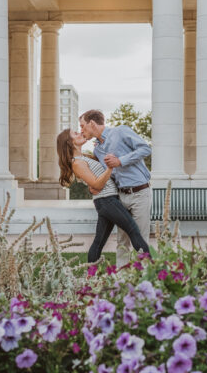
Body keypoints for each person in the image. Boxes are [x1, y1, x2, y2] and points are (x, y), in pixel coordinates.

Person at [56, 128, 151, 263]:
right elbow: (97, 184)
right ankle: (153, 267)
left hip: (106, 202)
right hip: (107, 202)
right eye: (75, 134)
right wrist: (110, 167)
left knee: (99, 242)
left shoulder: (84, 157)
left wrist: (101, 148)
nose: (80, 133)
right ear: (69, 142)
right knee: (133, 232)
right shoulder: (77, 163)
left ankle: (90, 276)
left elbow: (95, 181)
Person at [79, 109, 152, 264]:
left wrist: (121, 160)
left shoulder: (120, 131)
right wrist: (94, 186)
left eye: (83, 126)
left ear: (92, 123)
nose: (82, 130)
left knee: (140, 239)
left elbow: (145, 149)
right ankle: (121, 283)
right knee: (122, 241)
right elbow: (109, 174)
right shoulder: (97, 150)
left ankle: (146, 282)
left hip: (140, 193)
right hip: (120, 196)